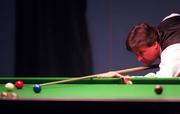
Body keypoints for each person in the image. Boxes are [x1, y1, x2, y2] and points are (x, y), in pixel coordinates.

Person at [97, 13, 180, 81]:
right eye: (136, 54)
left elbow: (161, 80)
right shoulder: (170, 19)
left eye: (141, 52)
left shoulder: (173, 52)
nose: (139, 58)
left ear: (154, 44)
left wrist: (123, 78)